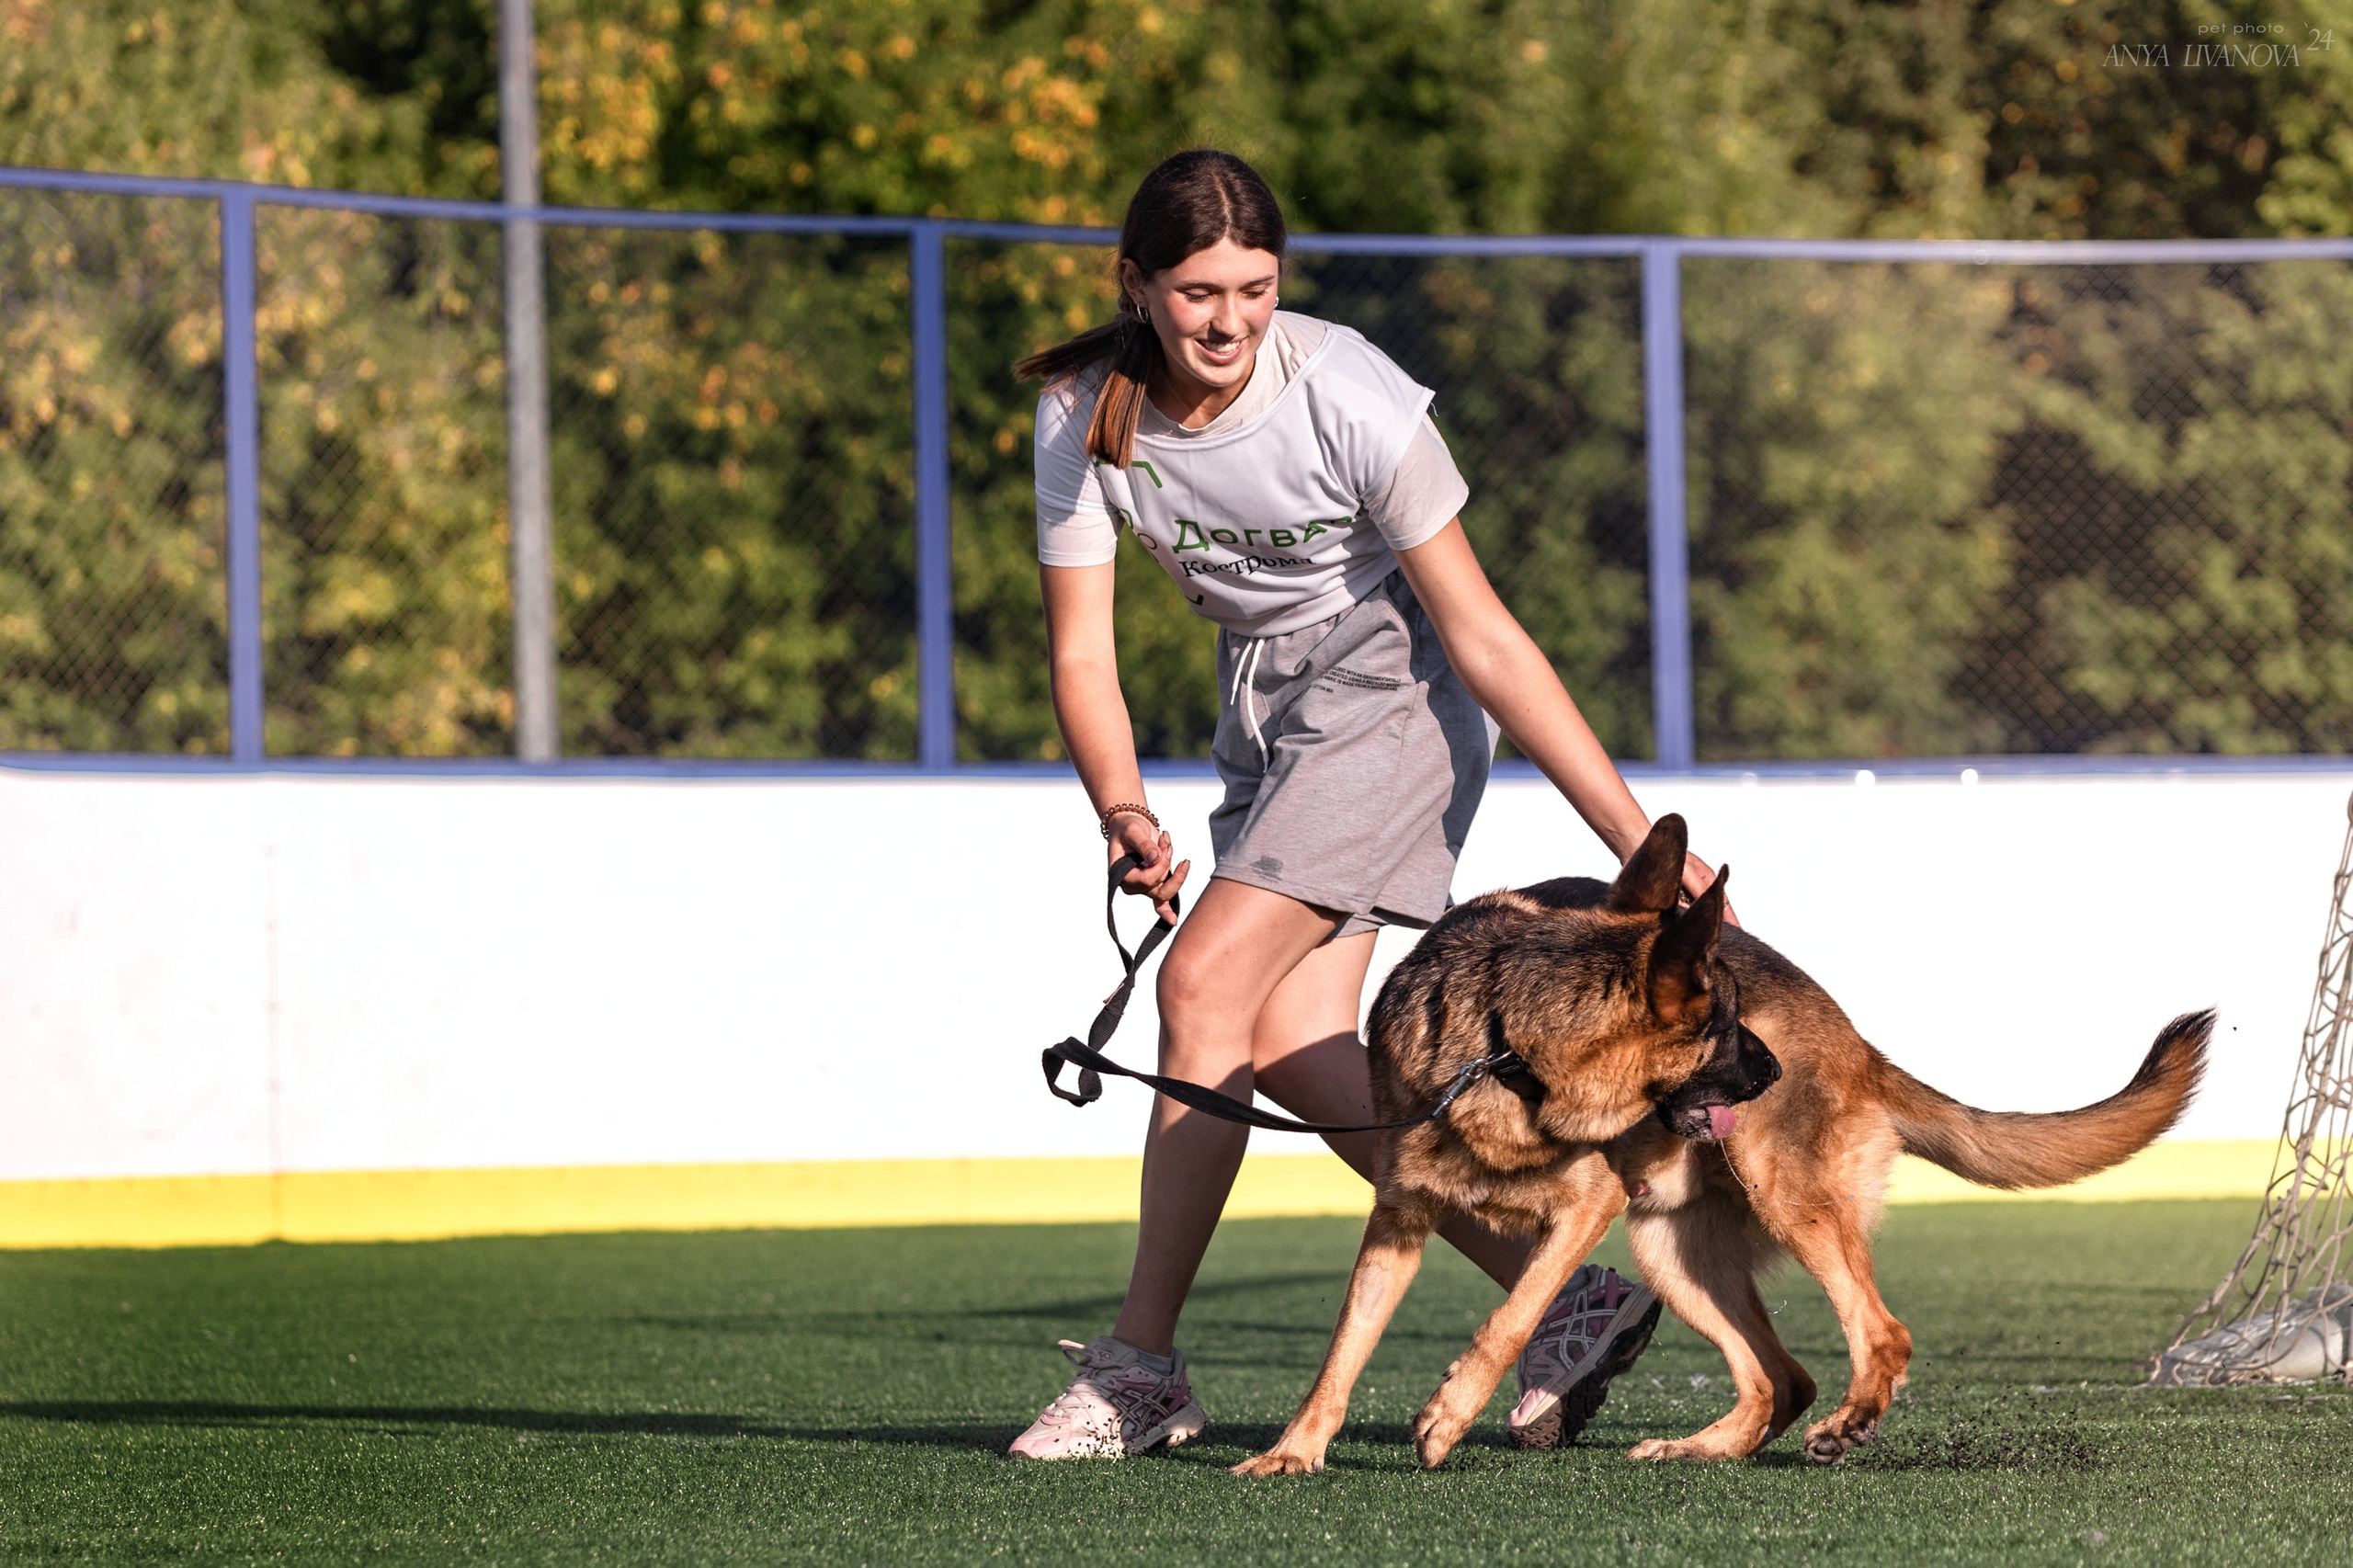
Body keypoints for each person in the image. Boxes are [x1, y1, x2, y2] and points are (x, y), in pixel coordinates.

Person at [1006, 150, 1732, 1461]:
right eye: (1195, 292)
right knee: (1291, 1045)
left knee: (1202, 987)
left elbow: (1489, 639)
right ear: (1136, 285)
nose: (1227, 320)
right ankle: (1571, 1301)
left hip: (1394, 700)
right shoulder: (1081, 417)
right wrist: (1120, 805)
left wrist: (1632, 839)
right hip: (1266, 717)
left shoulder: (1350, 393)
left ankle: (1139, 1368)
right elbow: (1079, 656)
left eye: (1255, 288)